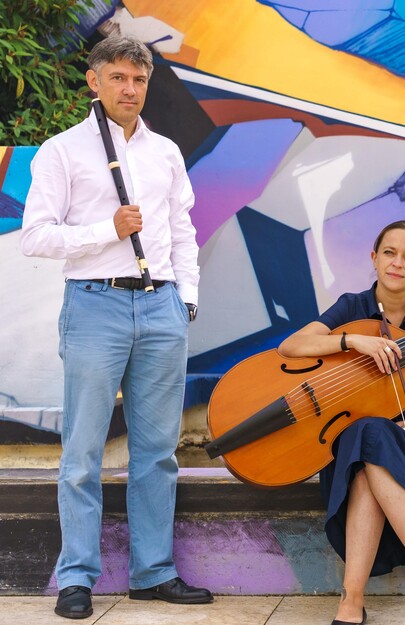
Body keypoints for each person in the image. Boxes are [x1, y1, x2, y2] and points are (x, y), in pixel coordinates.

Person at [19, 36, 208, 619]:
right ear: (94, 82)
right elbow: (36, 236)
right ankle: (77, 577)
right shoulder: (62, 150)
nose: (131, 89)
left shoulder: (166, 153)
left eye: (139, 79)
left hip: (161, 308)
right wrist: (106, 228)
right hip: (94, 304)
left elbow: (181, 231)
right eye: (120, 78)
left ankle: (153, 573)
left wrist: (187, 301)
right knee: (83, 449)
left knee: (157, 451)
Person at [278, 220, 405, 625]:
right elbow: (290, 347)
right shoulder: (351, 308)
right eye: (390, 253)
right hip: (352, 444)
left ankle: (352, 602)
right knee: (367, 433)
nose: (398, 263)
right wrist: (351, 340)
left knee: (372, 443)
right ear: (374, 259)